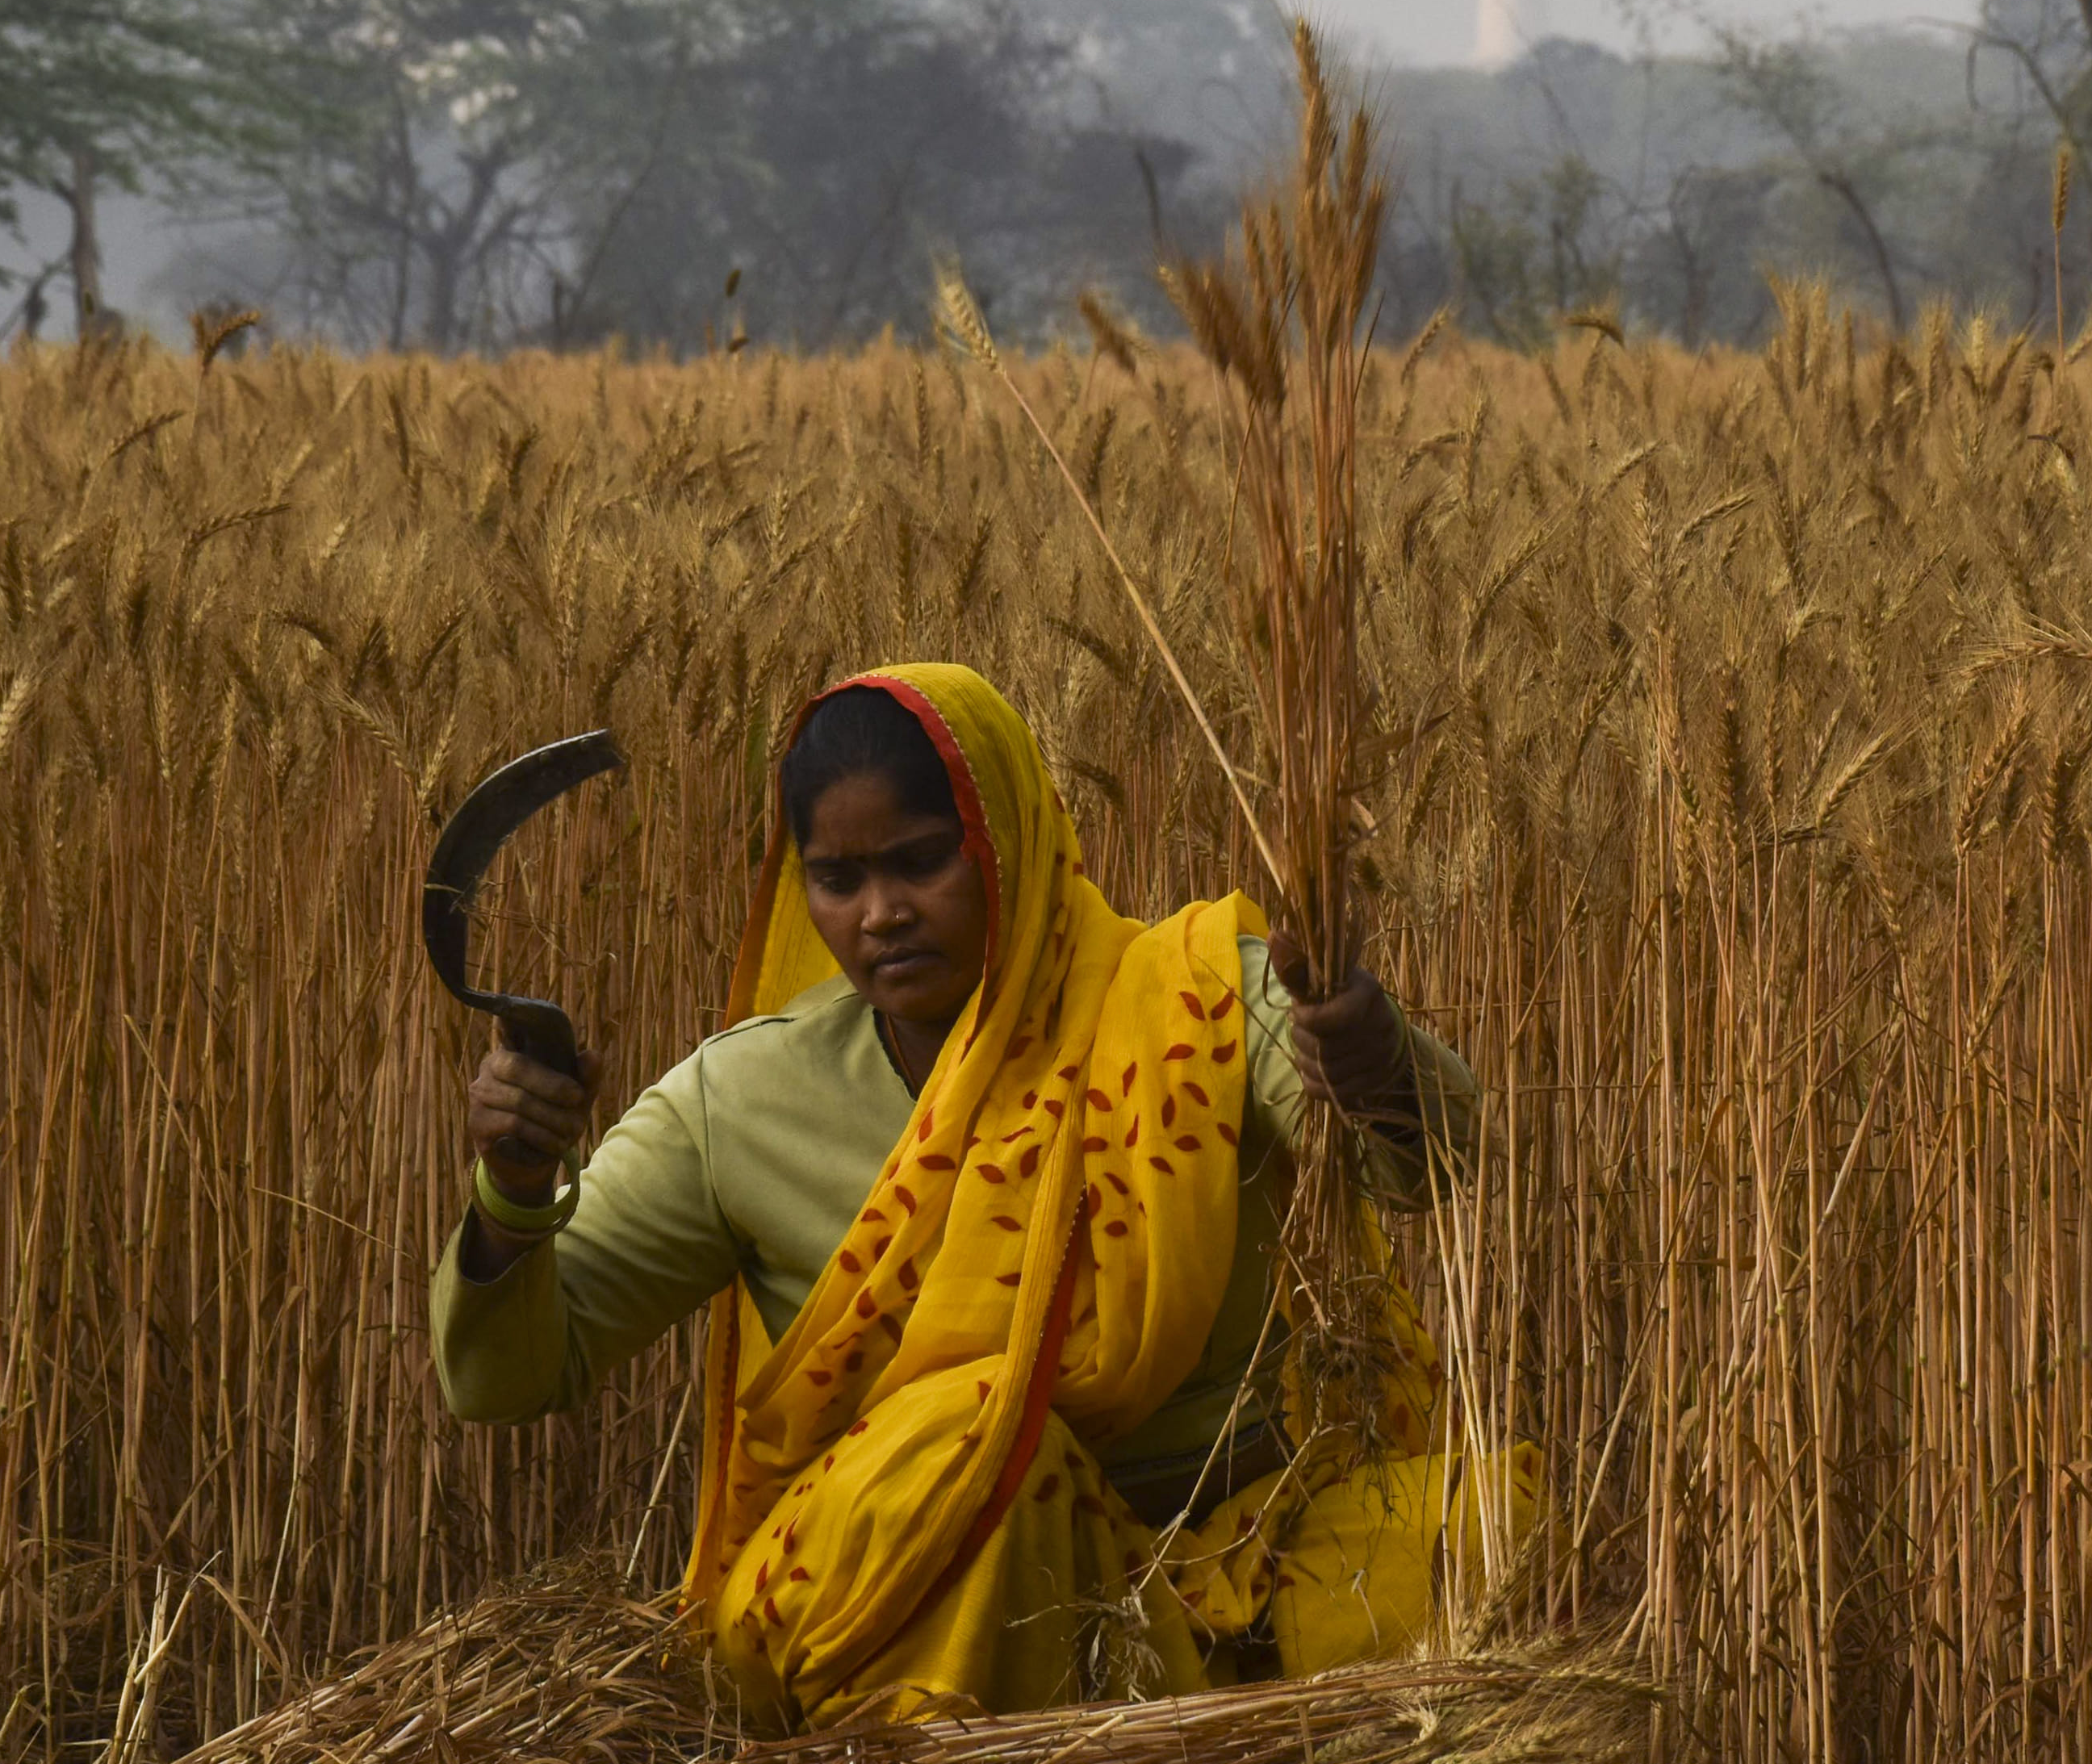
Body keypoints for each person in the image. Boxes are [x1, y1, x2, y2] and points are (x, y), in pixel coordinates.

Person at [429, 663, 1537, 1727]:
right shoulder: (741, 1102)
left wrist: (1363, 1048)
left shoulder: (1185, 998)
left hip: (1227, 1557)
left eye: (920, 862)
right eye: (838, 879)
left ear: (1011, 840)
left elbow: (1427, 1159)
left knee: (1490, 1534)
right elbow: (505, 1373)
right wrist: (515, 1190)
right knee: (984, 1440)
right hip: (925, 1595)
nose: (880, 913)